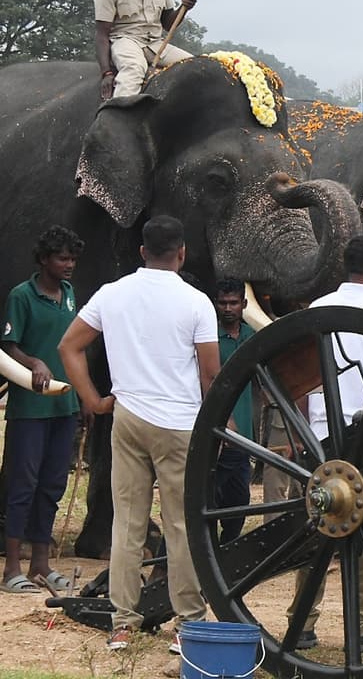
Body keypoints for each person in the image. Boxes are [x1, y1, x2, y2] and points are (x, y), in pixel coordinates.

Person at [58, 216, 218, 652]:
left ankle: (123, 624)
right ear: (181, 253)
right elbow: (210, 374)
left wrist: (92, 399)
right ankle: (187, 623)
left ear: (142, 252)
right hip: (180, 423)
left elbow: (69, 346)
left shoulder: (113, 294)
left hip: (128, 416)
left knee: (127, 524)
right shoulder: (196, 301)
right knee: (180, 525)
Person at [287, 234, 363, 651]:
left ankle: (302, 621)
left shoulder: (319, 310)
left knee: (314, 523)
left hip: (321, 430)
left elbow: (299, 382)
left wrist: (304, 429)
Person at [1, 226, 84, 594]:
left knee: (52, 484)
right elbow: (8, 346)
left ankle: (41, 564)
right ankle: (12, 568)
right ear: (44, 259)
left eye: (72, 258)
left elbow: (73, 347)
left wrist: (83, 396)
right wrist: (33, 361)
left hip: (64, 405)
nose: (69, 265)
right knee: (23, 484)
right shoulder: (22, 295)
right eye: (62, 258)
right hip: (31, 407)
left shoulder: (69, 294)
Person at [212, 279, 254, 544]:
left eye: (233, 303)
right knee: (209, 497)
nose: (228, 308)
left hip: (244, 434)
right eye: (223, 303)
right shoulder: (209, 339)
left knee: (239, 499)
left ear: (244, 305)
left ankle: (227, 548)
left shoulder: (253, 337)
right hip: (217, 433)